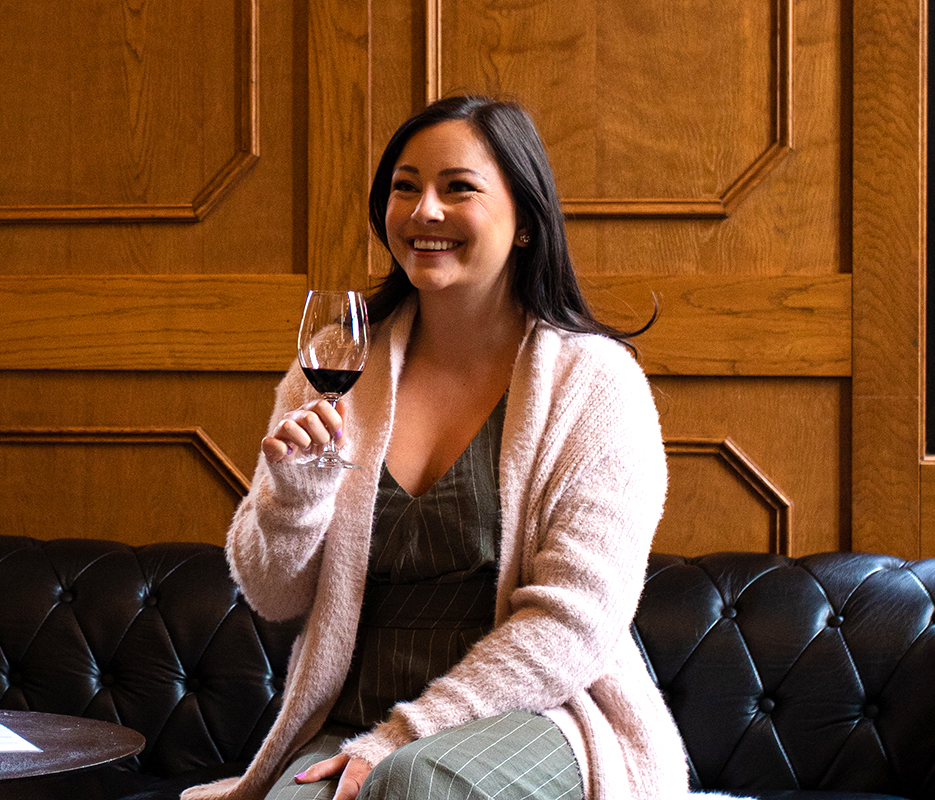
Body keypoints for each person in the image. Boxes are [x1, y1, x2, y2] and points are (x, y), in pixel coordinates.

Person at [181, 95, 706, 800]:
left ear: (525, 219)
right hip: (356, 716)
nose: (423, 211)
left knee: (416, 784)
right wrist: (295, 497)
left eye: (458, 188)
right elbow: (273, 595)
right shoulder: (338, 358)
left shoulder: (595, 384)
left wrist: (406, 736)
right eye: (405, 187)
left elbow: (574, 621)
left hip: (538, 715)